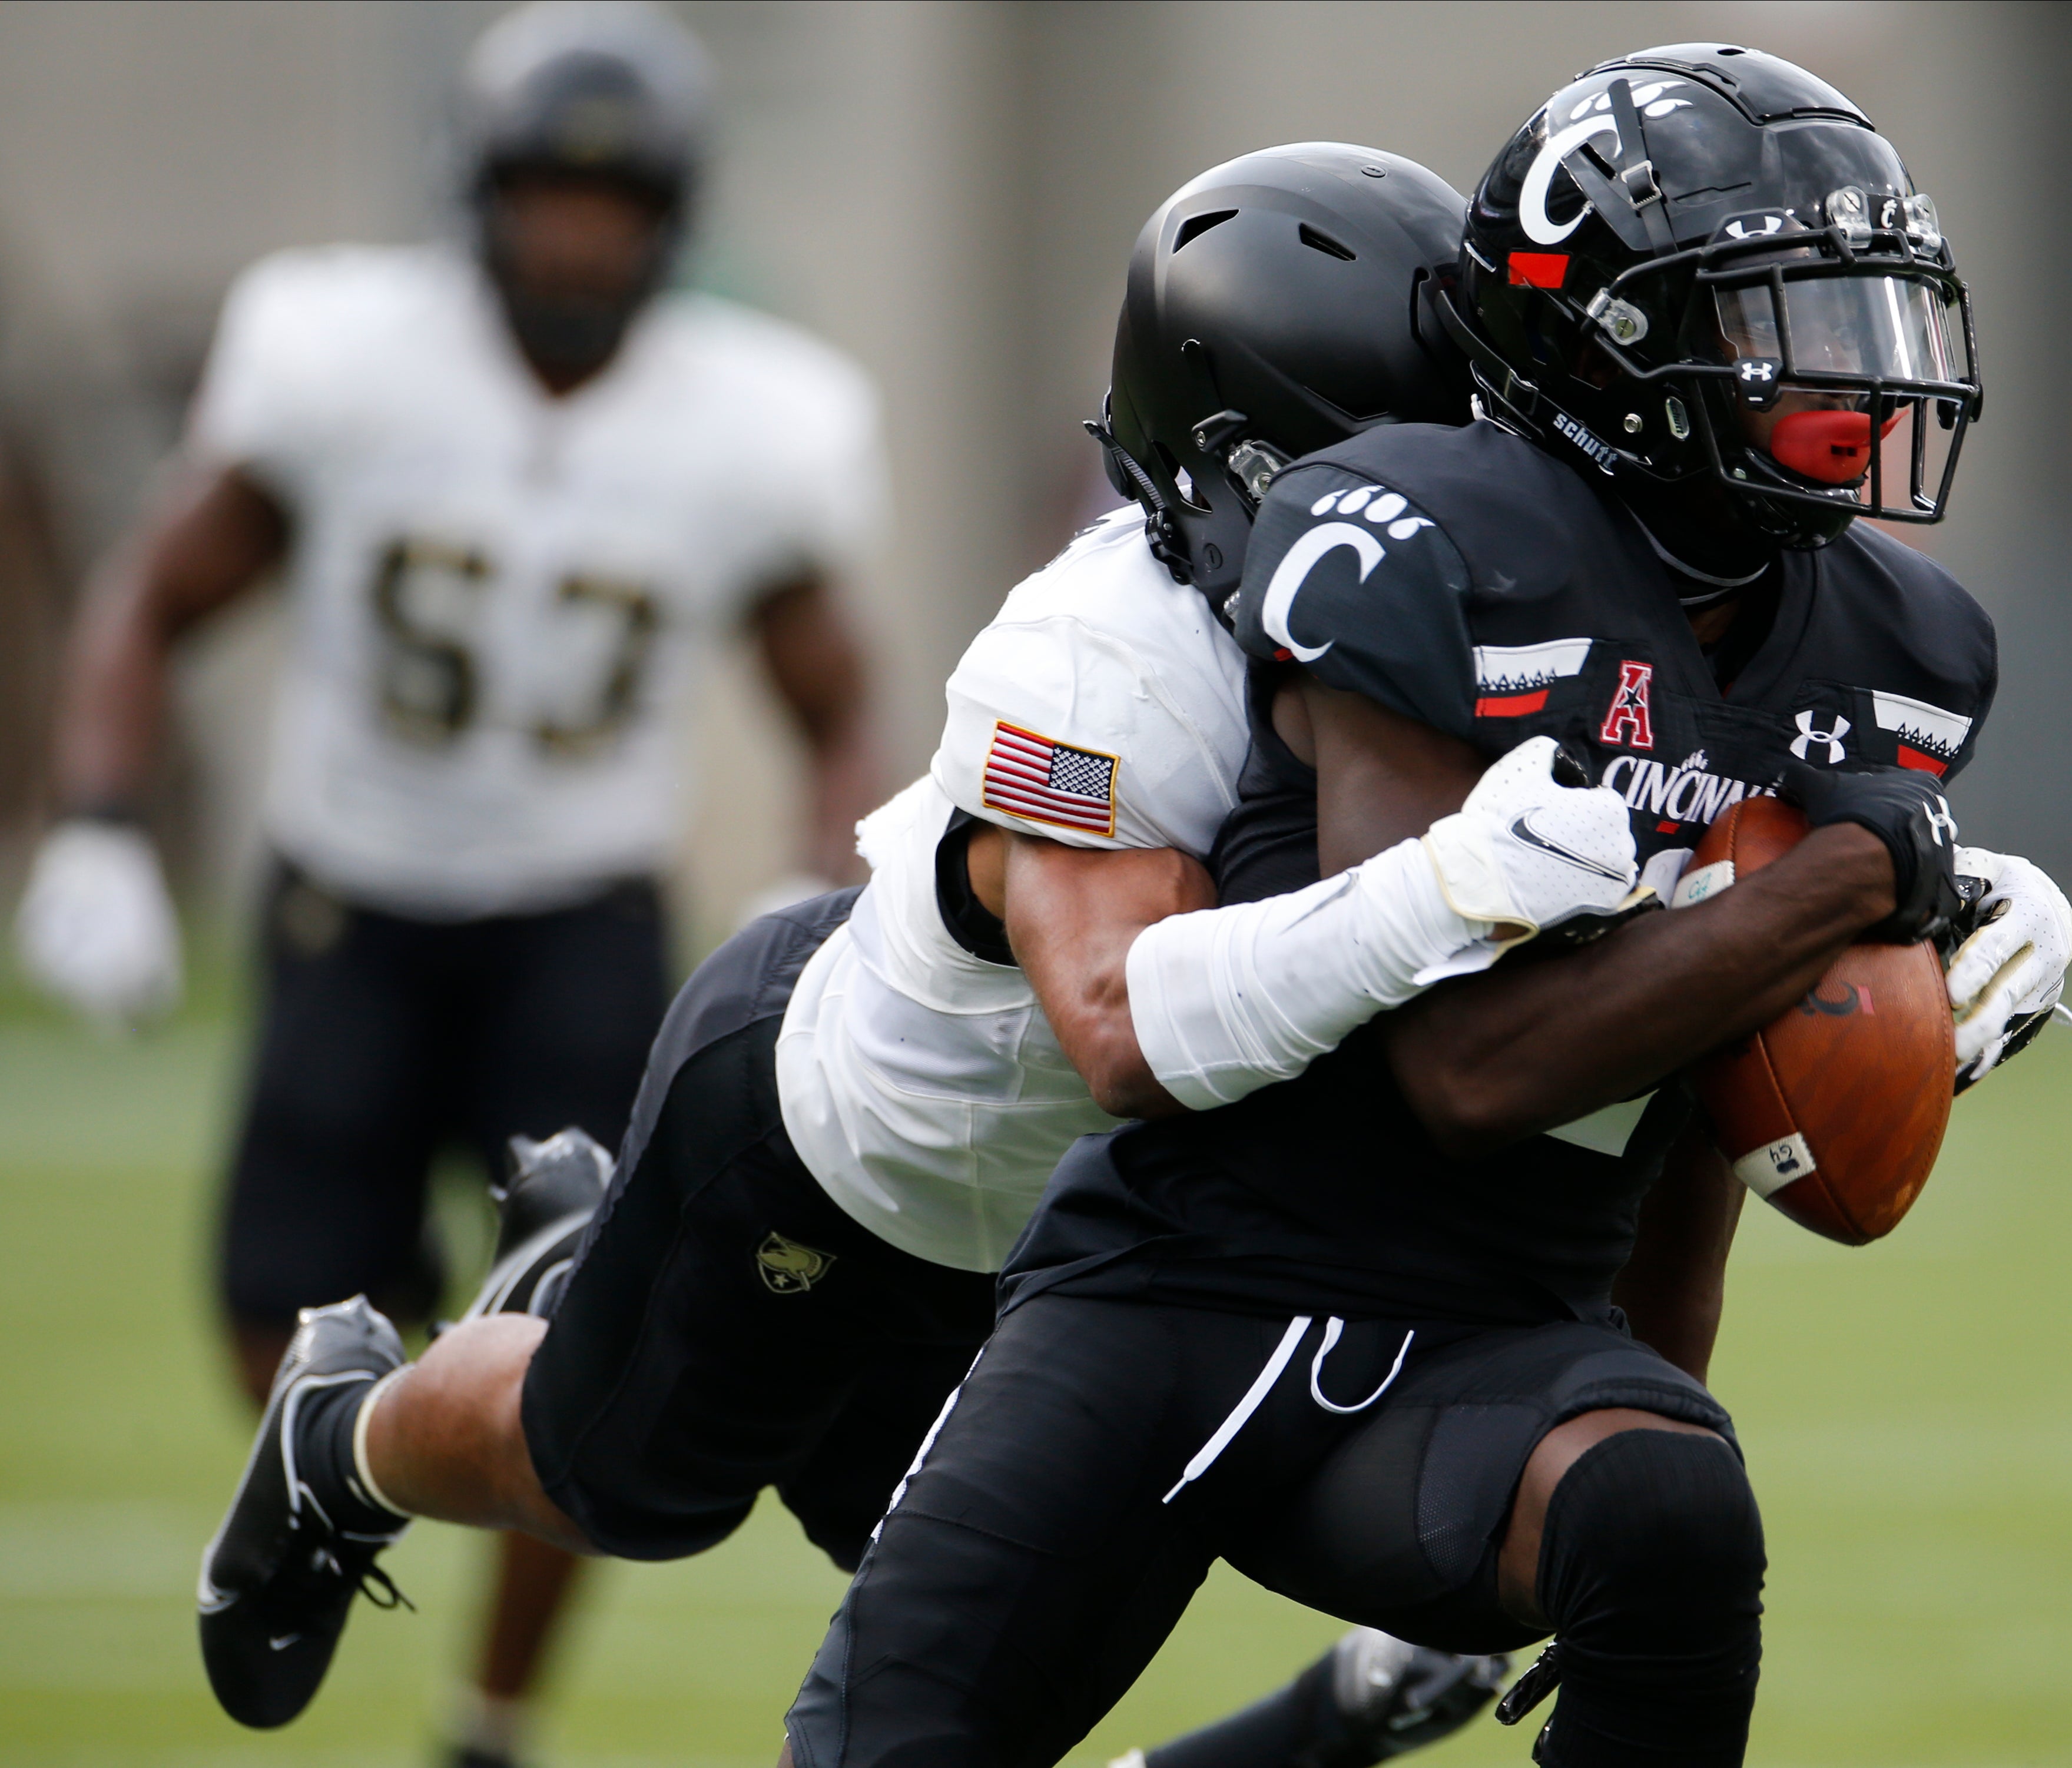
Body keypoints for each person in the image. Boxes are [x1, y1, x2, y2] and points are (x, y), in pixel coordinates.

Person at [780, 44, 2072, 1768]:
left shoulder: (1892, 646)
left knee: (1675, 1511)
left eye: (1858, 315)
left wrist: (1664, 1369)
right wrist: (1843, 885)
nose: (1846, 378)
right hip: (1184, 1291)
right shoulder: (1430, 539)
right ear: (1612, 340)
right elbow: (1456, 1069)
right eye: (1775, 320)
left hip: (1484, 1335)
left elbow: (1694, 1128)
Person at [194, 142, 1537, 1768]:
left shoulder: (1414, 641)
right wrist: (1451, 898)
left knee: (970, 1702)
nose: (1461, 518)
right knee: (613, 1481)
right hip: (824, 1154)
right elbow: (1131, 1024)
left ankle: (1339, 1708)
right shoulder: (1101, 664)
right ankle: (343, 1433)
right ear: (1251, 463)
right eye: (1413, 468)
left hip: (1038, 1236)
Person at [20, 6, 886, 1763]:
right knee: (270, 1316)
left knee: (589, 1342)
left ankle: (491, 1720)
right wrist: (98, 815)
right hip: (353, 894)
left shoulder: (755, 416)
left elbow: (836, 693)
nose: (578, 240)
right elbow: (153, 593)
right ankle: (356, 1453)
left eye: (616, 203)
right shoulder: (346, 352)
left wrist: (827, 875)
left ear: (674, 216)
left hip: (580, 918)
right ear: (475, 197)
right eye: (549, 199)